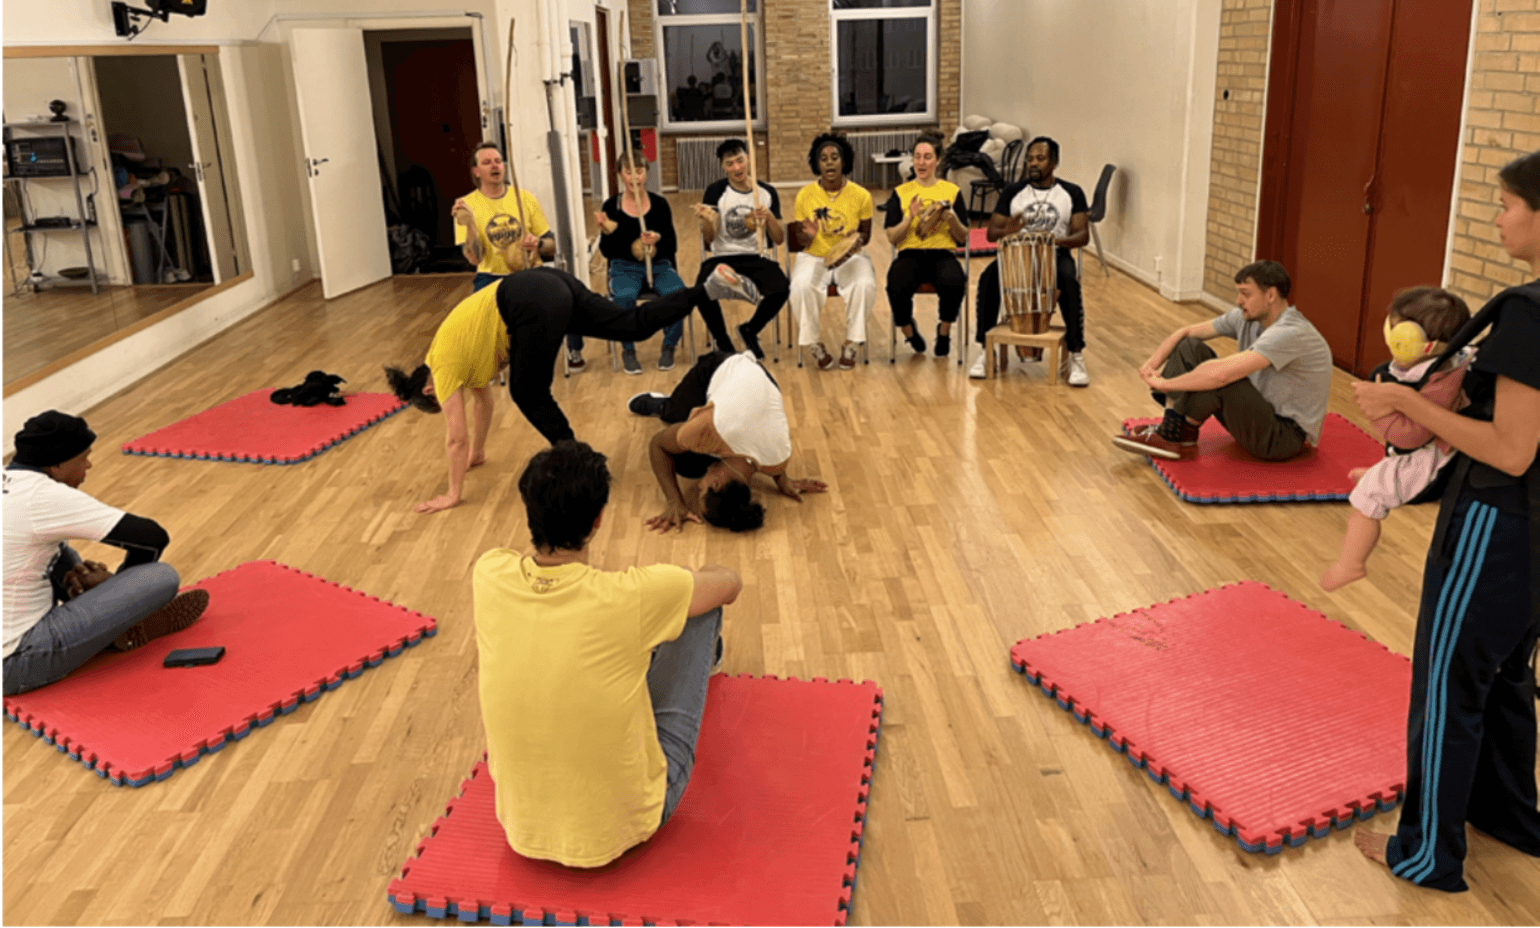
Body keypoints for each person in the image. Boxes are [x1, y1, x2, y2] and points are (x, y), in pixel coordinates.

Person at [1353, 150, 1540, 892]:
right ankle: (1510, 815)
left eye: (1504, 204)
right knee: (1505, 678)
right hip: (1533, 535)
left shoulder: (1528, 311)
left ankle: (1426, 852)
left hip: (1500, 522)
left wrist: (1410, 406)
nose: (1496, 217)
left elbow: (1513, 449)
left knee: (1447, 682)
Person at [473, 441, 742, 868]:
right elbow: (730, 583)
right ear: (599, 520)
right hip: (628, 824)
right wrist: (690, 579)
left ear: (529, 513)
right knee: (698, 611)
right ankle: (708, 664)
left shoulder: (488, 574)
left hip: (521, 828)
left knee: (634, 634)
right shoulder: (630, 596)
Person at [386, 264, 759, 513]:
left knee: (528, 392)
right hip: (550, 283)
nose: (452, 397)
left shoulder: (444, 365)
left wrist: (453, 493)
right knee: (631, 324)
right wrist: (478, 453)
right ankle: (707, 290)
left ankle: (582, 464)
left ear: (429, 390)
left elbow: (455, 437)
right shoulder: (457, 353)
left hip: (531, 299)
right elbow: (482, 403)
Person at [3, 411, 210, 696]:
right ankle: (125, 625)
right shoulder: (41, 495)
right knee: (160, 576)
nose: (88, 465)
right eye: (83, 457)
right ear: (57, 462)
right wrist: (122, 591)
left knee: (56, 551)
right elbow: (152, 538)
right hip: (16, 664)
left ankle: (105, 616)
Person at [1321, 287, 1473, 591]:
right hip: (1433, 448)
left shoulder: (1439, 381)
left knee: (1366, 500)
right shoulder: (1451, 361)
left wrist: (1378, 411)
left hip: (1431, 458)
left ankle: (1351, 564)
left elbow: (1408, 438)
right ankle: (1382, 474)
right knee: (1385, 468)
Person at [1111, 260, 1332, 462]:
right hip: (1260, 415)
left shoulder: (1291, 332)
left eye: (1246, 294)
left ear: (1271, 296)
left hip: (1283, 438)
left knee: (1221, 376)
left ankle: (1171, 433)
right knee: (1190, 346)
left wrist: (1164, 384)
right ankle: (1177, 431)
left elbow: (1221, 375)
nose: (1239, 301)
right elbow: (1186, 332)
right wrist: (1151, 365)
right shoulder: (1247, 317)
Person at [626, 350, 827, 532]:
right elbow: (657, 444)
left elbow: (771, 451)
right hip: (721, 366)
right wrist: (674, 502)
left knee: (691, 465)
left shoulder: (779, 460)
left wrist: (783, 481)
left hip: (760, 383)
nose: (698, 487)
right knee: (674, 417)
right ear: (716, 482)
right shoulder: (709, 428)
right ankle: (662, 404)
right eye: (702, 490)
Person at [966, 137, 1092, 385]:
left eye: (1040, 159)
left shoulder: (1071, 192)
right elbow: (992, 234)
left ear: (1054, 162)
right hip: (1016, 258)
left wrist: (1051, 242)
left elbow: (1082, 235)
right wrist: (1010, 231)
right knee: (988, 279)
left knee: (1069, 282)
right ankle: (984, 350)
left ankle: (1076, 354)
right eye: (1030, 158)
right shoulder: (1013, 192)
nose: (1033, 163)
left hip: (1054, 255)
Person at [567, 152, 692, 375]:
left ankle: (669, 345)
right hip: (625, 268)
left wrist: (657, 240)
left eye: (640, 171)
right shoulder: (611, 206)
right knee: (624, 298)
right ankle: (628, 350)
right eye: (628, 172)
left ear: (646, 173)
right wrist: (612, 232)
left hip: (659, 265)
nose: (635, 177)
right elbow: (606, 251)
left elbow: (672, 244)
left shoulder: (660, 204)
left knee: (677, 295)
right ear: (620, 175)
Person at [695, 137, 790, 360]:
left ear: (748, 159)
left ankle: (750, 329)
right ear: (722, 167)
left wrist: (769, 219)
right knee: (701, 290)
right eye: (730, 164)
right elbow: (708, 239)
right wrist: (708, 220)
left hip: (756, 256)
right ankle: (724, 343)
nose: (736, 168)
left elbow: (779, 240)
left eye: (740, 160)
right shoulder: (715, 191)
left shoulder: (766, 192)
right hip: (722, 256)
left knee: (781, 288)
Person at [789, 132, 875, 371]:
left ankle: (852, 343)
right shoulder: (805, 195)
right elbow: (799, 239)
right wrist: (809, 235)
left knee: (865, 285)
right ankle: (814, 344)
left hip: (850, 258)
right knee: (800, 287)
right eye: (823, 158)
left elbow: (866, 234)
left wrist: (855, 241)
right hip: (814, 256)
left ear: (843, 161)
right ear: (816, 164)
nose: (829, 162)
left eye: (834, 157)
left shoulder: (861, 195)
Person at [883, 130, 968, 358]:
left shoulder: (951, 191)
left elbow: (963, 237)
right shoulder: (901, 192)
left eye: (927, 157)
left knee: (954, 281)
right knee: (895, 284)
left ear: (937, 160)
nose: (921, 162)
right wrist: (909, 218)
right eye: (917, 157)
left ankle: (944, 330)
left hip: (941, 253)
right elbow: (892, 237)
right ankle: (909, 332)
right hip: (910, 253)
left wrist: (953, 219)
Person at [453, 142, 556, 294]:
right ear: (476, 171)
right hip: (490, 277)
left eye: (498, 161)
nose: (494, 166)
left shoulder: (525, 198)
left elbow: (552, 246)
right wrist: (469, 224)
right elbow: (475, 259)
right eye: (487, 163)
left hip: (529, 271)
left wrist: (538, 243)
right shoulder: (465, 206)